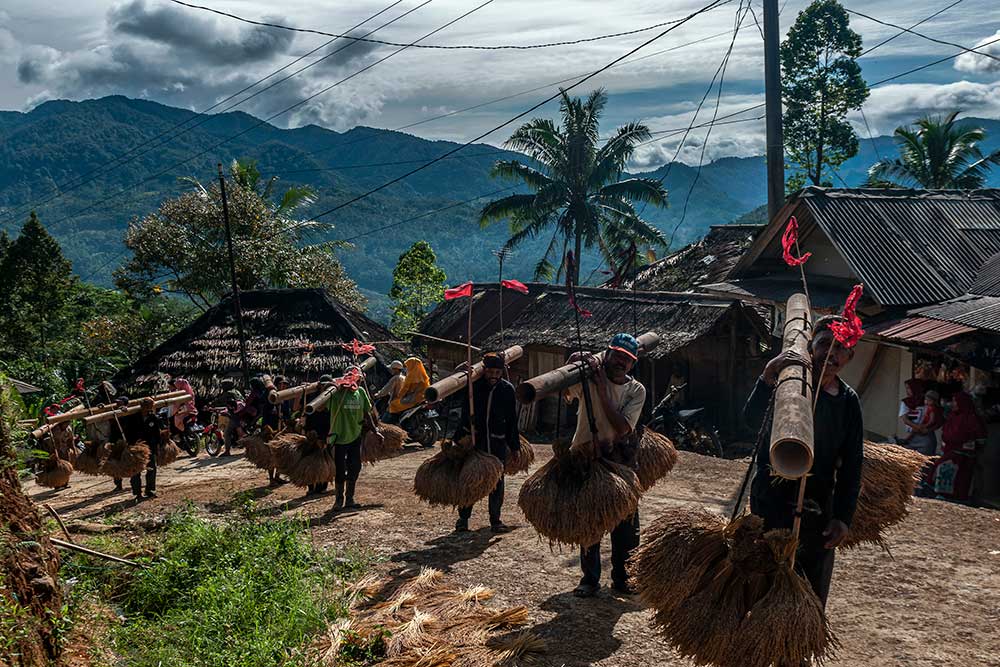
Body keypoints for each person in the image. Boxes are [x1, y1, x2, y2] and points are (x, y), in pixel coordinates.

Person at [744, 315, 864, 609]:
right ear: (811, 345)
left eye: (840, 349)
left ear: (849, 356)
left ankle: (797, 652)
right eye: (825, 344)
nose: (831, 354)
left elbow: (851, 465)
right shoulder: (788, 383)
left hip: (817, 506)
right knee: (761, 578)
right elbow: (749, 422)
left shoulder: (848, 402)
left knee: (808, 590)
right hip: (770, 499)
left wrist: (843, 518)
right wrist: (767, 375)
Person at [565, 333, 647, 598]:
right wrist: (571, 363)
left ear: (632, 365)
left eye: (627, 359)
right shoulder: (586, 379)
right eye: (617, 356)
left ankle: (622, 578)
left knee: (625, 526)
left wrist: (601, 389)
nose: (620, 362)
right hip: (585, 459)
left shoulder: (636, 391)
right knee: (590, 523)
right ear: (607, 355)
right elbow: (564, 390)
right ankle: (589, 579)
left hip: (619, 462)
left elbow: (623, 428)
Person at [454, 353, 521, 534]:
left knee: (497, 483)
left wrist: (514, 446)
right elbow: (458, 402)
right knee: (471, 481)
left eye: (497, 372)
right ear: (484, 371)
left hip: (497, 443)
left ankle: (495, 521)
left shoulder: (507, 390)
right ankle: (463, 519)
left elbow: (512, 421)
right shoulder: (473, 387)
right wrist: (460, 374)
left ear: (502, 372)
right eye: (490, 371)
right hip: (477, 443)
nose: (493, 375)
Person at [326, 370, 379, 509]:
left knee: (355, 467)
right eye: (357, 379)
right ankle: (338, 500)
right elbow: (321, 406)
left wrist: (376, 430)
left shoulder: (361, 392)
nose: (359, 382)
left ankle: (349, 499)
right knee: (339, 469)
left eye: (360, 380)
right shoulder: (336, 394)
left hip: (356, 436)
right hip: (339, 438)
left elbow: (366, 412)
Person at [930, 392, 986, 502]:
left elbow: (979, 437)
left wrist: (968, 446)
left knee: (948, 467)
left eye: (955, 401)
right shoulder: (953, 417)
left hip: (964, 453)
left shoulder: (972, 418)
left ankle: (955, 495)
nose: (953, 404)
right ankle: (943, 493)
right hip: (950, 450)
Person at [128, 397, 167, 501]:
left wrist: (158, 446)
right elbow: (128, 431)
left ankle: (150, 490)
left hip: (150, 447)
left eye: (150, 405)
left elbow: (158, 433)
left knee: (152, 468)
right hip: (137, 447)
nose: (149, 408)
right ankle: (137, 493)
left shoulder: (154, 418)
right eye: (147, 405)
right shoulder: (133, 417)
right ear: (142, 406)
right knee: (136, 470)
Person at [303, 375, 334, 496]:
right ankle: (311, 487)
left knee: (325, 459)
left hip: (326, 432)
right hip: (311, 432)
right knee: (310, 460)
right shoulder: (311, 395)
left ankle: (321, 486)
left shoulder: (332, 396)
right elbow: (299, 409)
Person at [386, 357, 430, 424]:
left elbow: (405, 389)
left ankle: (395, 423)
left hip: (414, 398)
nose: (407, 368)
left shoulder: (411, 376)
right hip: (423, 397)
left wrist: (399, 396)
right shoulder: (424, 376)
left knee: (393, 404)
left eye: (407, 366)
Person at [902, 388, 943, 456]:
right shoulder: (925, 408)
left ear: (934, 401)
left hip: (926, 432)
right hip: (922, 429)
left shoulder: (933, 410)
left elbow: (932, 421)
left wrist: (925, 426)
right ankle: (906, 439)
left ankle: (906, 439)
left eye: (929, 400)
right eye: (925, 400)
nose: (926, 402)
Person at [212, 378, 244, 456]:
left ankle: (227, 451)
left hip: (235, 415)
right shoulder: (237, 391)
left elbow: (218, 401)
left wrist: (211, 404)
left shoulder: (227, 393)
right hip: (242, 413)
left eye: (223, 385)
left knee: (227, 433)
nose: (222, 387)